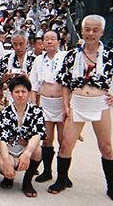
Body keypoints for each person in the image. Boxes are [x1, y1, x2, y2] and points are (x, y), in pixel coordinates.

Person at [50, 15, 113, 203]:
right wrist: (66, 105)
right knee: (66, 144)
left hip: (100, 103)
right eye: (87, 29)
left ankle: (112, 187)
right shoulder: (72, 55)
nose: (91, 33)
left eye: (95, 30)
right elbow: (65, 83)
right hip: (78, 103)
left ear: (101, 32)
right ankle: (62, 180)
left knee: (106, 147)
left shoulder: (111, 54)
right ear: (82, 31)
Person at [0, 75, 46, 197]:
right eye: (16, 92)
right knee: (3, 162)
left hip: (26, 147)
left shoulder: (36, 112)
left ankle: (27, 182)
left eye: (23, 92)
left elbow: (38, 134)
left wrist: (27, 153)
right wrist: (7, 159)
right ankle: (8, 177)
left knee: (37, 150)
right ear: (11, 94)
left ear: (29, 93)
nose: (20, 95)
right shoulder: (5, 112)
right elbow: (1, 138)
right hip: (10, 148)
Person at [29, 30, 67, 183]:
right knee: (47, 139)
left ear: (59, 41)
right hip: (45, 103)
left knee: (64, 141)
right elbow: (34, 84)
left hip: (62, 103)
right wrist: (33, 105)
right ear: (42, 43)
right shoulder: (38, 60)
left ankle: (63, 175)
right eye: (46, 39)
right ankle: (47, 171)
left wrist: (67, 105)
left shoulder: (66, 57)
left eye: (53, 39)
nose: (50, 42)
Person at [0, 29, 36, 103]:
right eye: (15, 44)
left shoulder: (34, 59)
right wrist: (7, 76)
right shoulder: (6, 59)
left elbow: (37, 82)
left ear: (27, 43)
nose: (18, 47)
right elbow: (0, 80)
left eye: (21, 44)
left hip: (29, 93)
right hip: (11, 93)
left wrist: (27, 77)